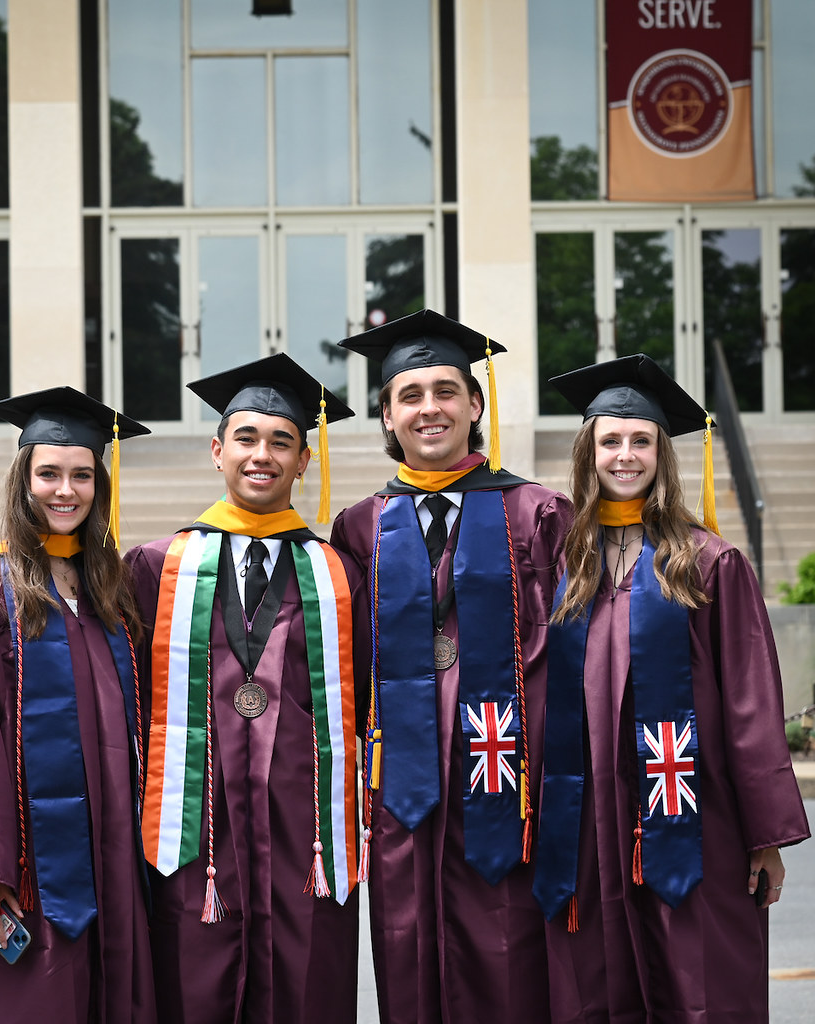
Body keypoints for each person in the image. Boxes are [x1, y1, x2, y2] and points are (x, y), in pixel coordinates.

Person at [534, 353, 810, 1022]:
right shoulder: (563, 561)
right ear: (587, 451)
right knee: (598, 980)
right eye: (611, 440)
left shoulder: (709, 562)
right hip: (588, 816)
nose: (626, 455)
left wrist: (763, 836)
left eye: (641, 440)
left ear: (662, 451)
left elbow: (751, 706)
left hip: (690, 811)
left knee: (697, 975)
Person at [331, 309, 572, 1023]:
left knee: (509, 961)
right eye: (409, 395)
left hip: (506, 788)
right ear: (386, 414)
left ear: (475, 404)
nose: (428, 408)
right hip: (403, 791)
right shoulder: (361, 523)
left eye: (445, 391)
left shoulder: (537, 512)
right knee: (407, 957)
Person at [127, 353, 366, 1024]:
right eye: (247, 438)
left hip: (305, 832)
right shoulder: (155, 566)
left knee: (307, 984)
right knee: (195, 987)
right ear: (217, 449)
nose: (262, 455)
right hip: (197, 827)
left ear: (304, 460)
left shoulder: (340, 573)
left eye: (281, 441)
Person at [0, 387, 157, 1024]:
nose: (65, 490)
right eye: (48, 473)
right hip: (23, 864)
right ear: (22, 481)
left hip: (112, 853)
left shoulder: (112, 593)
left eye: (81, 475)